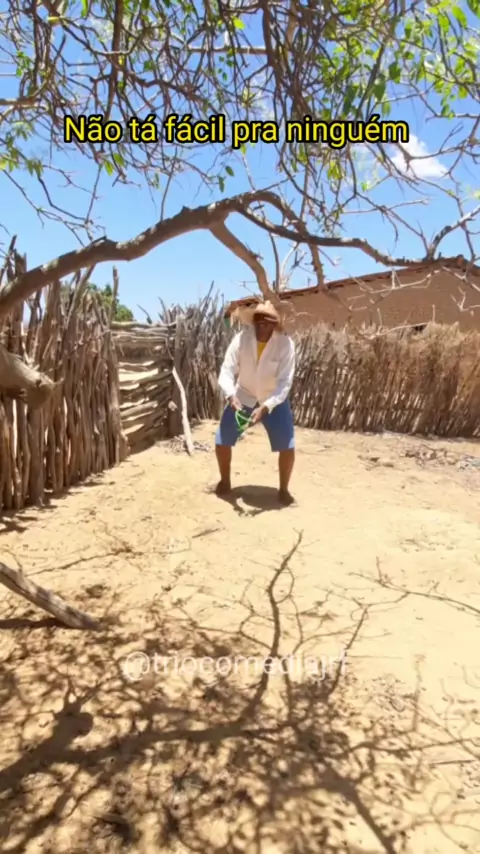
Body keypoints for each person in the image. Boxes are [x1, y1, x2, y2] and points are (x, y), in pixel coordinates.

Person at [215, 301, 296, 506]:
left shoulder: (285, 345)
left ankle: (284, 490)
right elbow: (226, 370)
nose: (261, 327)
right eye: (258, 322)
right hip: (244, 395)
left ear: (274, 325)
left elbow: (285, 382)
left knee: (287, 446)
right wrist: (230, 395)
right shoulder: (241, 339)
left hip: (273, 399)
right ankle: (225, 482)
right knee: (222, 440)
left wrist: (266, 407)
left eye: (266, 323)